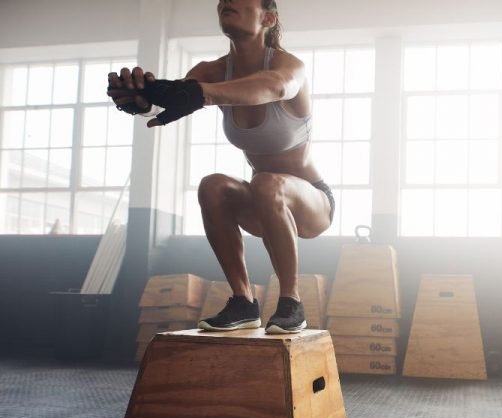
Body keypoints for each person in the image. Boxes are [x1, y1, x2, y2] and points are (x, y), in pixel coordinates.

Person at [107, 0, 333, 334]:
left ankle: (291, 302)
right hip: (262, 203)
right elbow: (171, 98)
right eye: (222, 0)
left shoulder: (289, 66)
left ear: (268, 18)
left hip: (311, 202)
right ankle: (243, 301)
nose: (226, 1)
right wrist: (139, 99)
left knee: (268, 182)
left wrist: (201, 94)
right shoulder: (211, 71)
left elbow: (273, 87)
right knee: (212, 185)